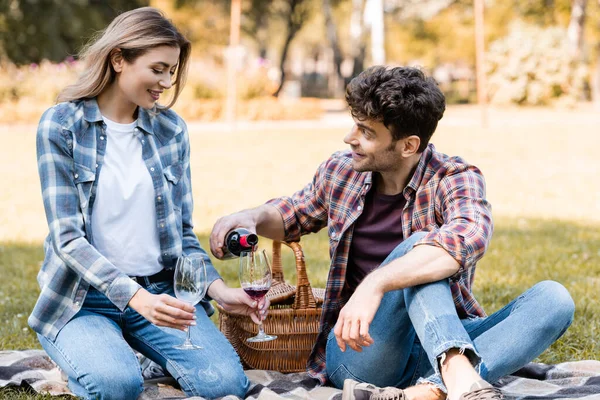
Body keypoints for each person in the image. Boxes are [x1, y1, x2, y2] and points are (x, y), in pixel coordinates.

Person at [210, 66, 575, 400]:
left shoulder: (455, 177)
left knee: (554, 299)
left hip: (444, 334)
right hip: (363, 351)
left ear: (408, 145)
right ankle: (457, 374)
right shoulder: (342, 171)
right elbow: (294, 214)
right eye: (355, 124)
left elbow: (467, 239)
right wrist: (251, 216)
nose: (349, 138)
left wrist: (376, 283)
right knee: (421, 246)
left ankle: (434, 388)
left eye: (366, 132)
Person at [29, 7, 266, 400]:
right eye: (158, 69)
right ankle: (91, 351)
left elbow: (183, 236)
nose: (166, 83)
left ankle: (124, 349)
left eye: (172, 71)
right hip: (82, 299)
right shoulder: (61, 125)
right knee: (117, 385)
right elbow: (67, 240)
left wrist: (220, 291)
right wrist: (135, 299)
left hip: (161, 292)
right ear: (119, 58)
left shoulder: (170, 130)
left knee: (224, 384)